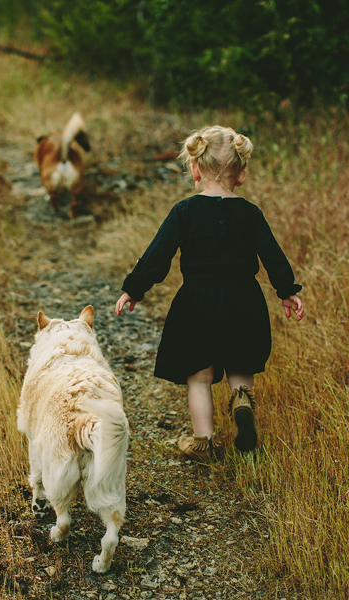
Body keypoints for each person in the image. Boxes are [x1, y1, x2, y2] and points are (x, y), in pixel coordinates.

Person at [114, 125, 304, 461]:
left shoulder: (185, 211)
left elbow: (158, 254)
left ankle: (204, 441)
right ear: (241, 175)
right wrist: (287, 291)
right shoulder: (250, 213)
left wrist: (134, 288)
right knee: (240, 365)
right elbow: (273, 256)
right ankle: (241, 397)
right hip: (245, 299)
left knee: (199, 377)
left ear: (195, 169)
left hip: (198, 302)